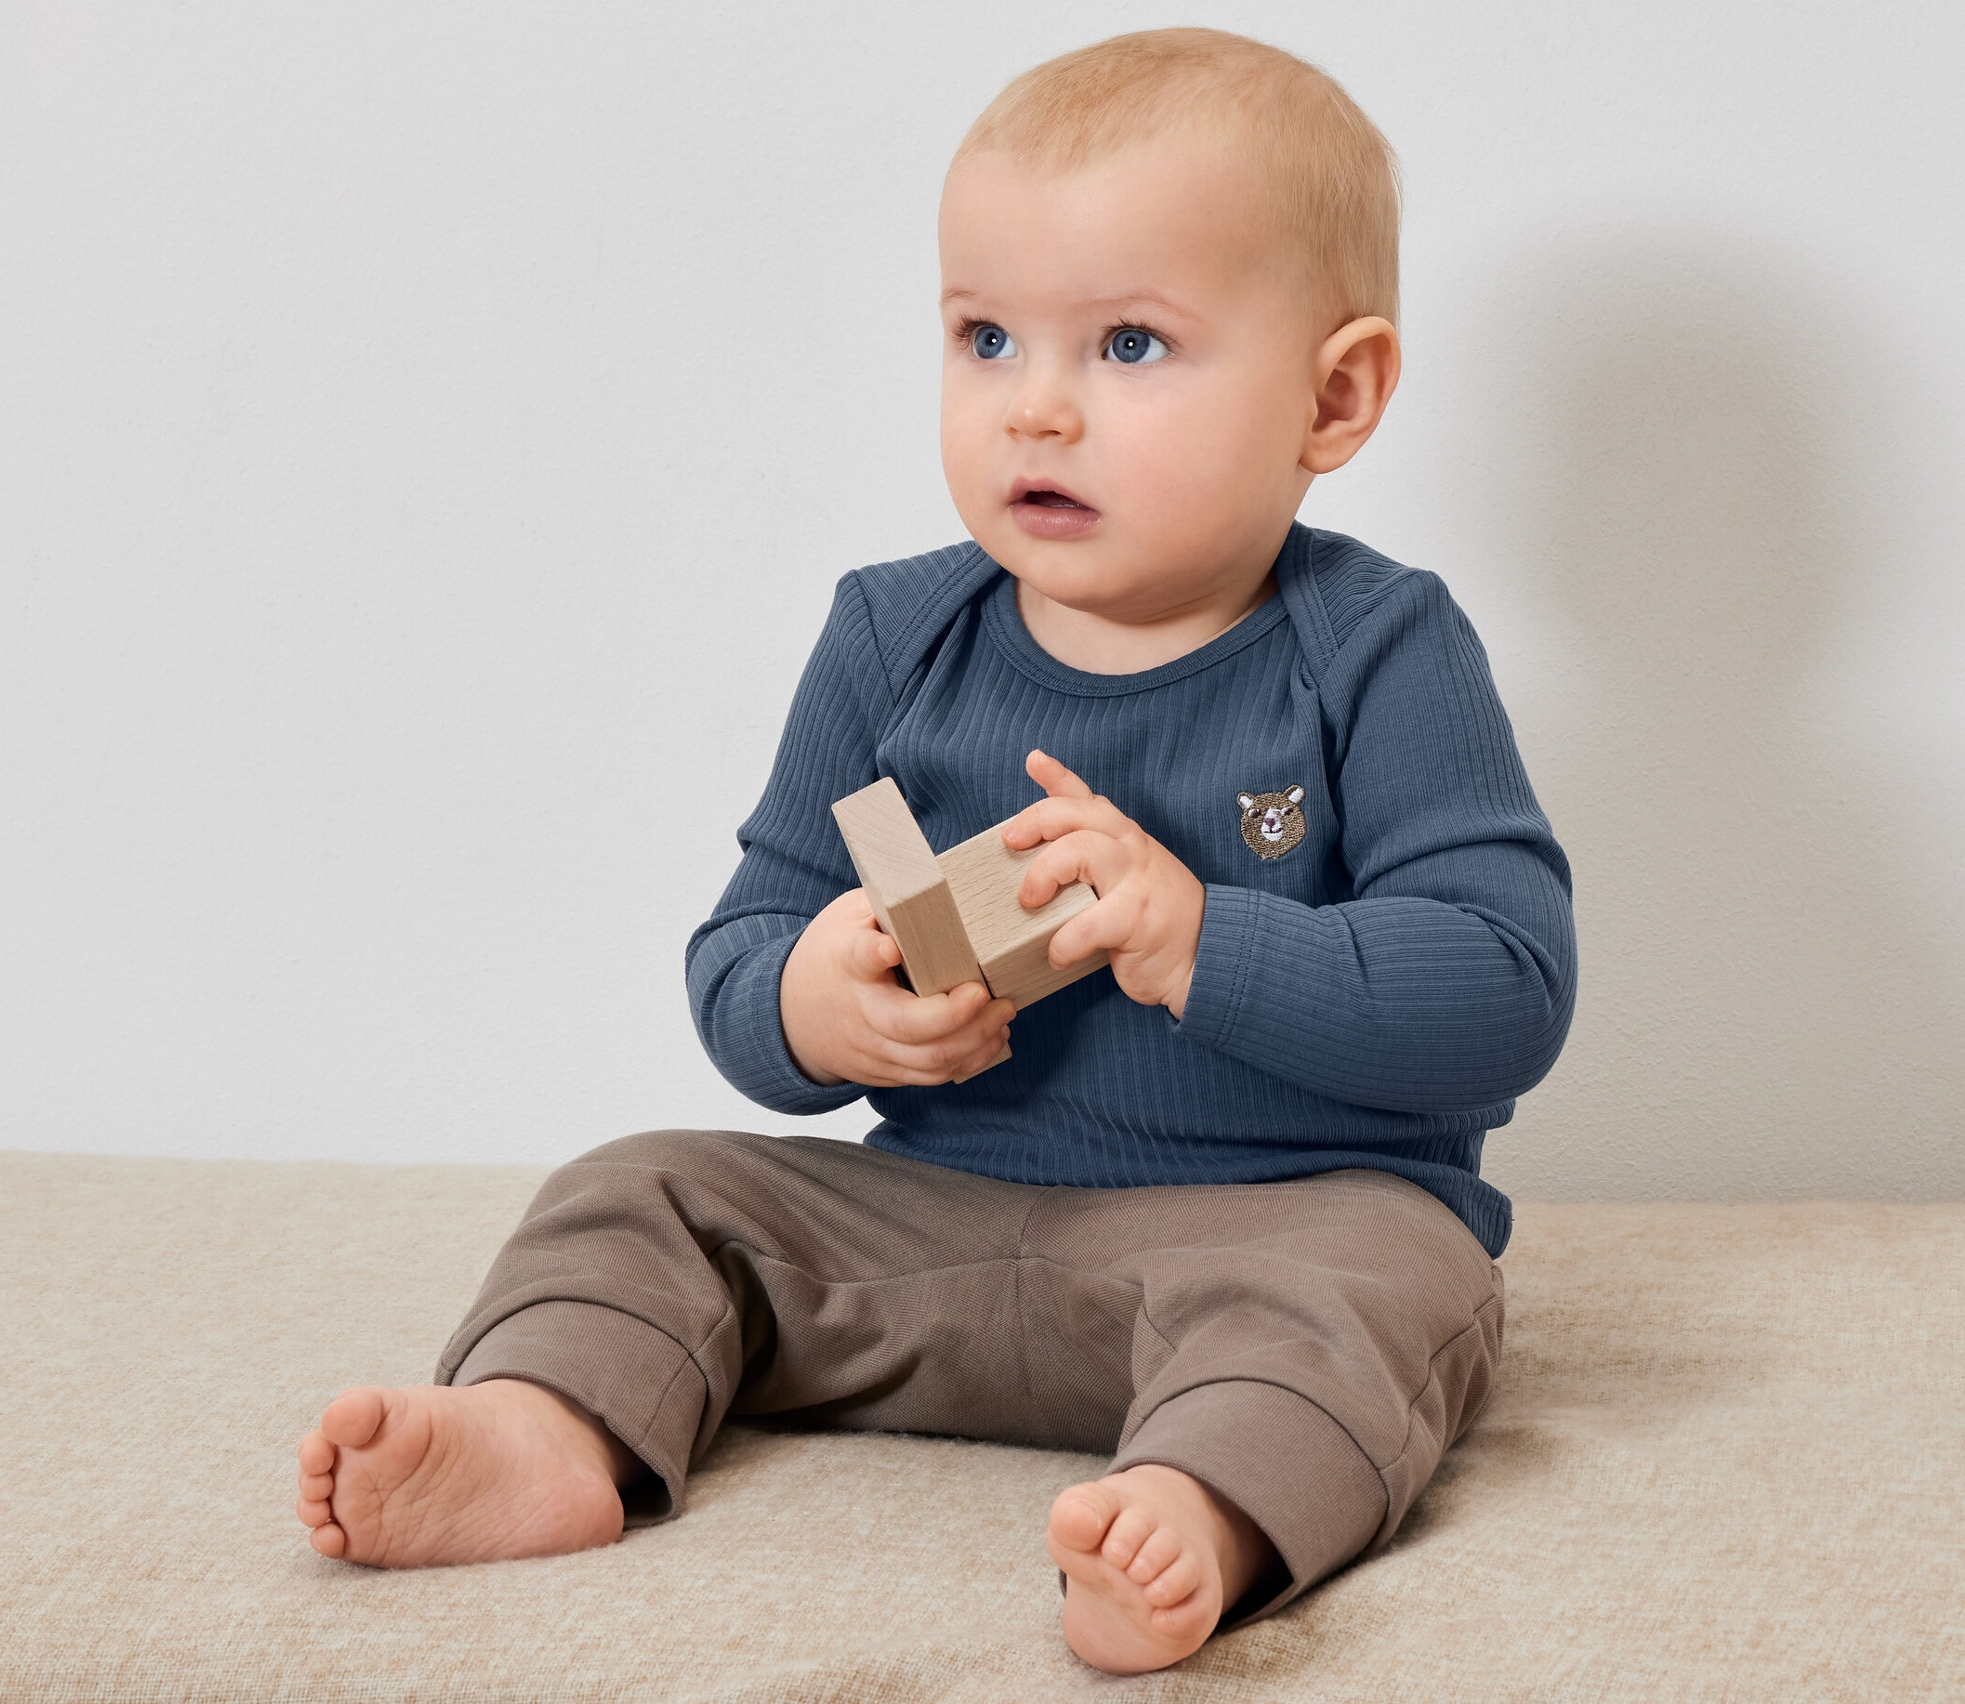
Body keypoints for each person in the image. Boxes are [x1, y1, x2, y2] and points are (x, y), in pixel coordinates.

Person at [294, 27, 1576, 1675]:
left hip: (1272, 1223)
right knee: (637, 1186)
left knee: (1391, 1280)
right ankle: (548, 1429)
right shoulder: (894, 637)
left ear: (1335, 396)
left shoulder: (1380, 650)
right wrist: (815, 1008)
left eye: (1128, 342)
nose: (1035, 405)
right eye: (985, 336)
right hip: (931, 1227)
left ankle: (1205, 1512)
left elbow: (1509, 986)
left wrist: (1204, 941)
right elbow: (746, 939)